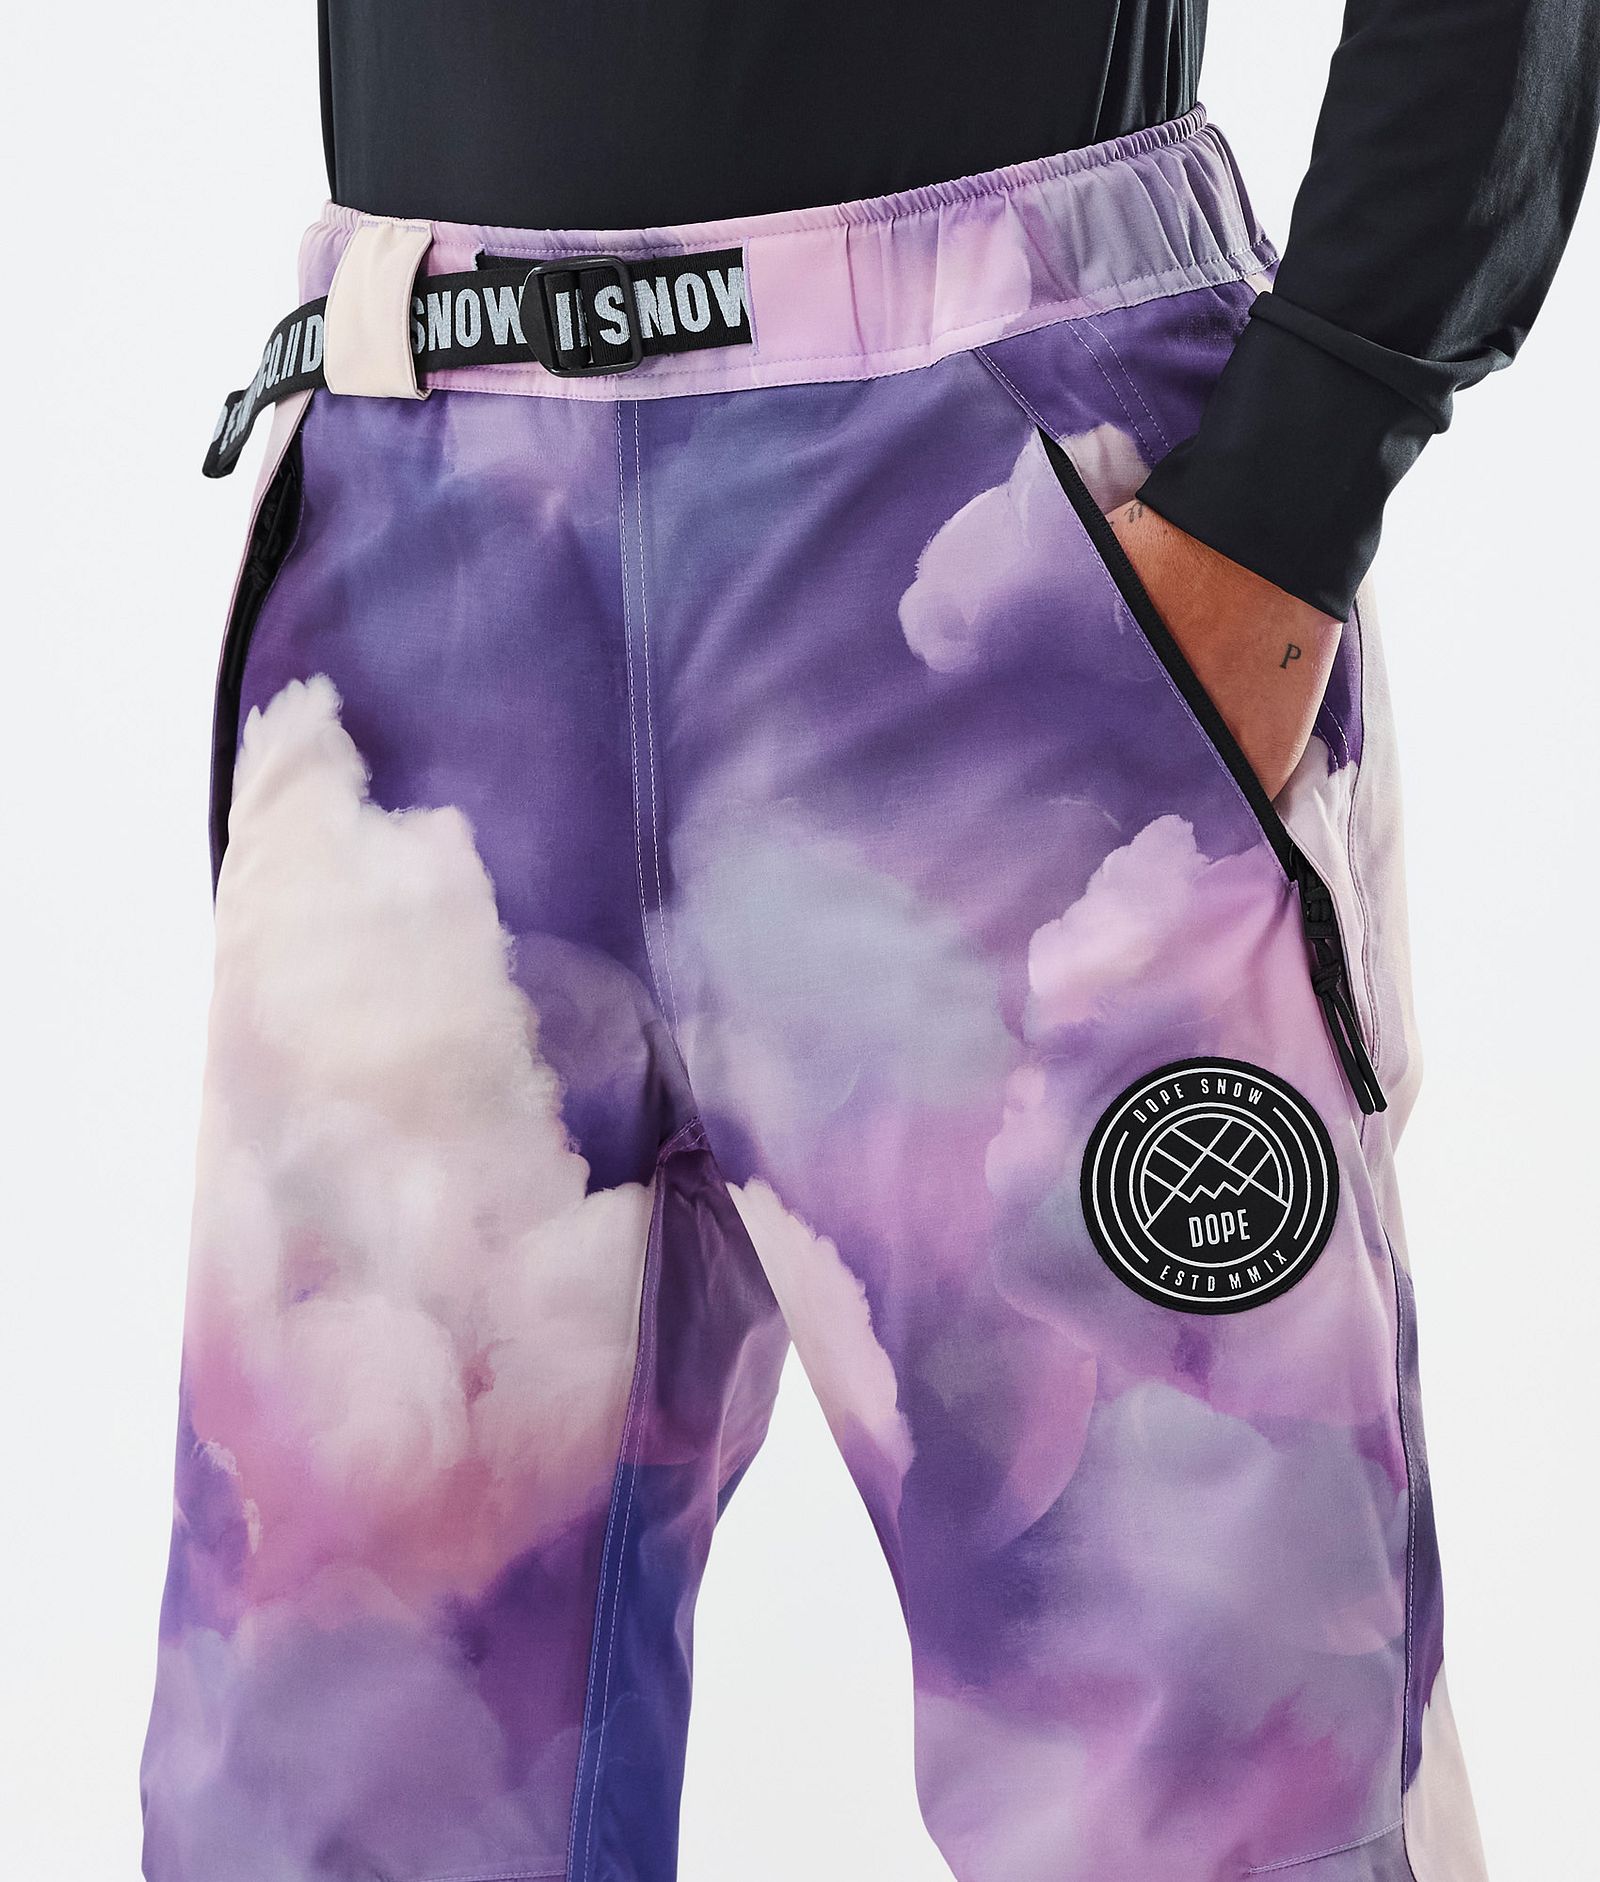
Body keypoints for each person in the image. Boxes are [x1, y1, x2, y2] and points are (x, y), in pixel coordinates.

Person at [140, 4, 1597, 1879]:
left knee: (1211, 1774)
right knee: (334, 1781)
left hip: (995, 516)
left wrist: (1301, 472)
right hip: (425, 505)